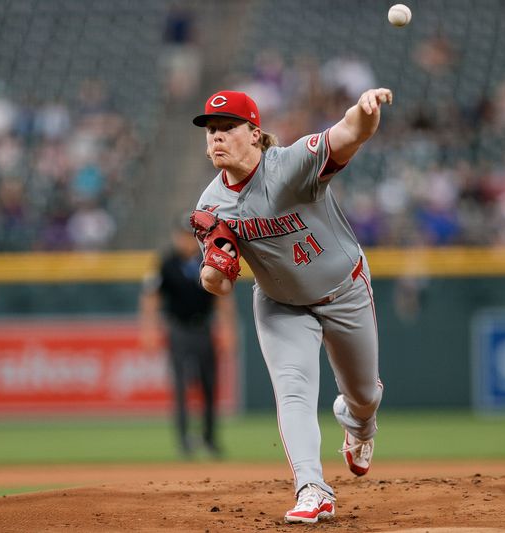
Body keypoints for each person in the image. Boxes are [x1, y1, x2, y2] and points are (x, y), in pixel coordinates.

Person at [191, 89, 389, 523]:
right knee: (293, 389)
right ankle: (311, 488)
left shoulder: (292, 165)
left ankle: (359, 426)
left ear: (256, 134)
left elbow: (350, 133)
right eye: (210, 131)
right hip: (282, 304)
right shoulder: (210, 205)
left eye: (227, 128)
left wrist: (365, 109)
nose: (216, 138)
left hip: (345, 290)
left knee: (363, 394)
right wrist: (215, 272)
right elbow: (218, 284)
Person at [140, 217, 237, 459]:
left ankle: (210, 439)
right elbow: (151, 297)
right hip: (179, 329)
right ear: (176, 237)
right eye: (182, 235)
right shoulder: (166, 262)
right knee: (181, 386)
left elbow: (222, 297)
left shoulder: (208, 259)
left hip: (204, 328)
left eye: (190, 235)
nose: (186, 240)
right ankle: (184, 441)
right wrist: (149, 329)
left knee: (209, 385)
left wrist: (228, 328)